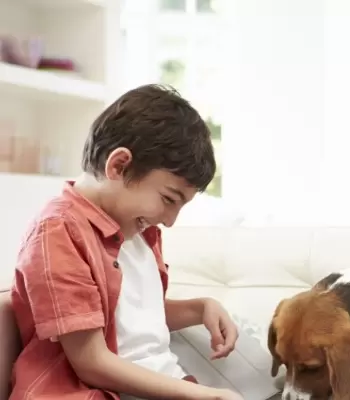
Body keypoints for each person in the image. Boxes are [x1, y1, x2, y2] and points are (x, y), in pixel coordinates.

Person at [10, 85, 243, 400]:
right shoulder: (59, 231)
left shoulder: (140, 232)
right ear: (119, 165)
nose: (170, 220)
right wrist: (204, 395)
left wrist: (201, 308)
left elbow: (131, 320)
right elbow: (90, 361)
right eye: (168, 199)